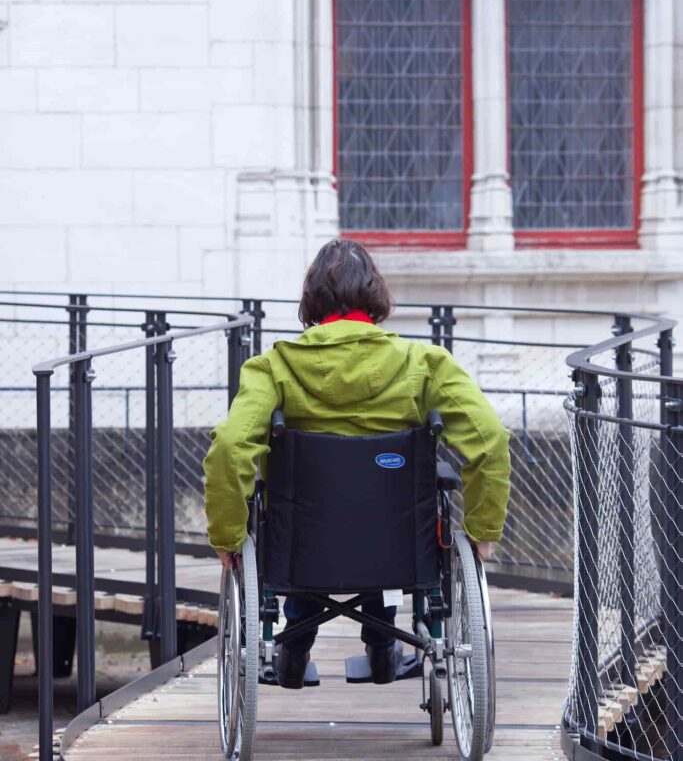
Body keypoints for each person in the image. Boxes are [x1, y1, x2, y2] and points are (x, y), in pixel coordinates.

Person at [204, 239, 510, 688]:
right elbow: (490, 439)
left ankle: (293, 650)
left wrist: (226, 535)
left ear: (311, 299)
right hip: (398, 544)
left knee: (300, 517)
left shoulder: (273, 367)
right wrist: (483, 530)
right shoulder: (424, 363)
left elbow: (230, 447)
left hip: (302, 543)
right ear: (376, 295)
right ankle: (384, 648)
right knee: (384, 515)